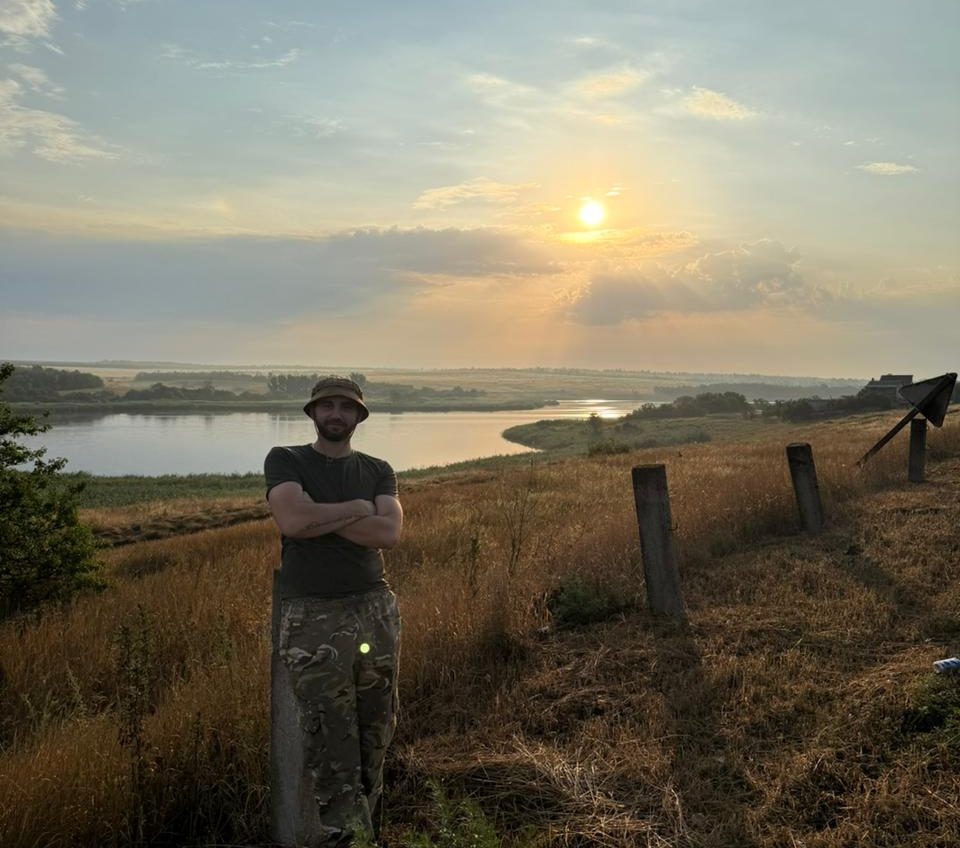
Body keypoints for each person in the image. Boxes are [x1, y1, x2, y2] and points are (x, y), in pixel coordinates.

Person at [264, 375, 403, 847]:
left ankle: (368, 834)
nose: (337, 414)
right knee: (329, 737)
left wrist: (321, 514)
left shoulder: (378, 468)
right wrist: (357, 509)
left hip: (375, 608)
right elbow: (292, 521)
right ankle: (345, 840)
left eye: (347, 406)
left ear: (359, 416)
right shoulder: (286, 460)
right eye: (328, 406)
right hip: (312, 616)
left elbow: (387, 535)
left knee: (375, 731)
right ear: (313, 413)